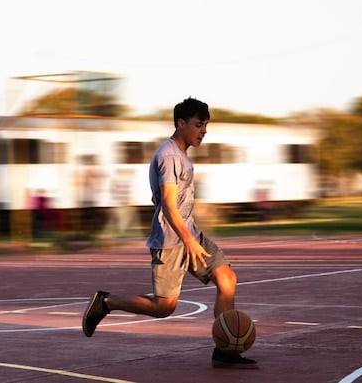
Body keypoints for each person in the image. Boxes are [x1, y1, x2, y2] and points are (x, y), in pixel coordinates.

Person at [82, 97, 258, 369]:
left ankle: (225, 351)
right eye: (199, 125)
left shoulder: (182, 156)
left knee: (227, 278)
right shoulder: (168, 155)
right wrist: (187, 240)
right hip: (171, 240)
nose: (204, 131)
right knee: (165, 307)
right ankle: (106, 302)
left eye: (206, 125)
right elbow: (167, 201)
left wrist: (191, 237)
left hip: (191, 235)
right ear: (181, 123)